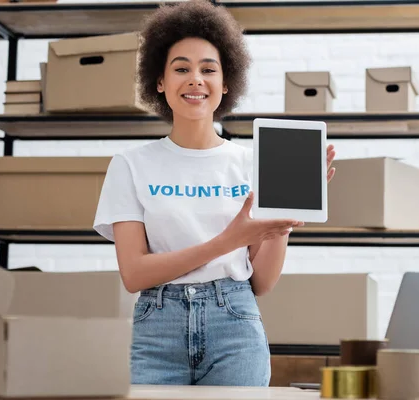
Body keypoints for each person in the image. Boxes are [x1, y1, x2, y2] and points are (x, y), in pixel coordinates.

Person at [93, 0, 336, 387]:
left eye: (209, 69)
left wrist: (284, 221)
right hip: (157, 329)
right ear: (159, 81)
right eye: (181, 69)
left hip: (236, 326)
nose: (196, 79)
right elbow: (135, 273)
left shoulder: (253, 164)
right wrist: (229, 241)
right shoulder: (130, 164)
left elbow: (262, 284)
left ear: (226, 84)